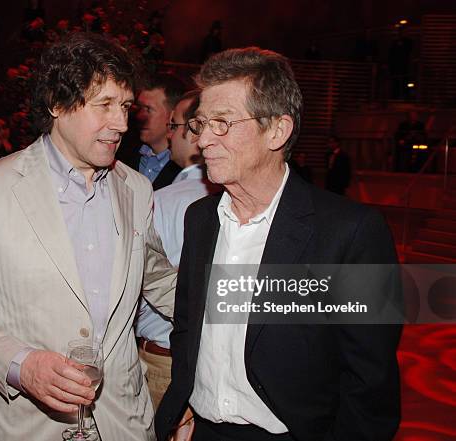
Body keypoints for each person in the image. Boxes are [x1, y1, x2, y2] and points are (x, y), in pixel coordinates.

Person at [0, 33, 177, 441]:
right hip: (25, 425)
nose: (120, 123)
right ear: (58, 104)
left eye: (126, 107)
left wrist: (243, 309)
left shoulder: (135, 189)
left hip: (122, 423)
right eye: (105, 105)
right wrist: (21, 365)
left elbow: (160, 280)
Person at [155, 47, 402, 441]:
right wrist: (186, 397)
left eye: (223, 123)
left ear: (277, 130)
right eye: (201, 124)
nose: (203, 141)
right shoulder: (200, 219)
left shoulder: (352, 232)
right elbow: (187, 325)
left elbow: (370, 383)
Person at [136, 89, 221, 410]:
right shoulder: (232, 199)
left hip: (163, 360)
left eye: (175, 126)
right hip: (212, 360)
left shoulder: (165, 200)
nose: (170, 135)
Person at [119, 73, 186, 190]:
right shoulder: (123, 153)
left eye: (148, 109)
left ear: (172, 115)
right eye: (139, 108)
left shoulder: (185, 167)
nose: (140, 116)